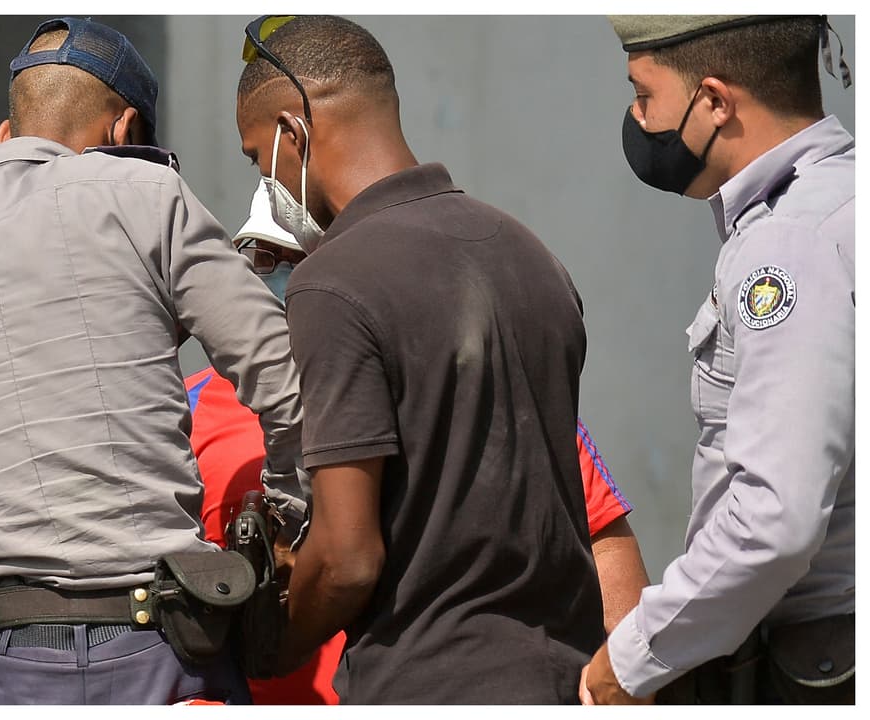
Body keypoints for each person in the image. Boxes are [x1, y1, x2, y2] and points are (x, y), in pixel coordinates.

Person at [0, 17, 306, 705]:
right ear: (124, 132)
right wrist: (288, 513)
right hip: (167, 653)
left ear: (7, 134)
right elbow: (288, 383)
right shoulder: (147, 196)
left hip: (2, 666)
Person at [234, 15, 606, 704]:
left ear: (294, 133)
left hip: (427, 682)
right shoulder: (531, 254)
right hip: (564, 678)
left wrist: (265, 649)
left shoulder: (332, 281)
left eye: (258, 159)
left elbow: (348, 558)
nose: (264, 183)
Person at [188, 180, 650, 704]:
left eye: (298, 257)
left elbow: (604, 548)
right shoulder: (193, 411)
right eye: (263, 257)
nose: (281, 275)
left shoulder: (474, 385)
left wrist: (624, 681)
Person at [582, 15, 854, 705]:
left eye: (643, 94)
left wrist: (629, 663)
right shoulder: (844, 204)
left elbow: (773, 521)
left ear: (713, 101)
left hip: (818, 664)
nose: (637, 119)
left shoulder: (788, 244)